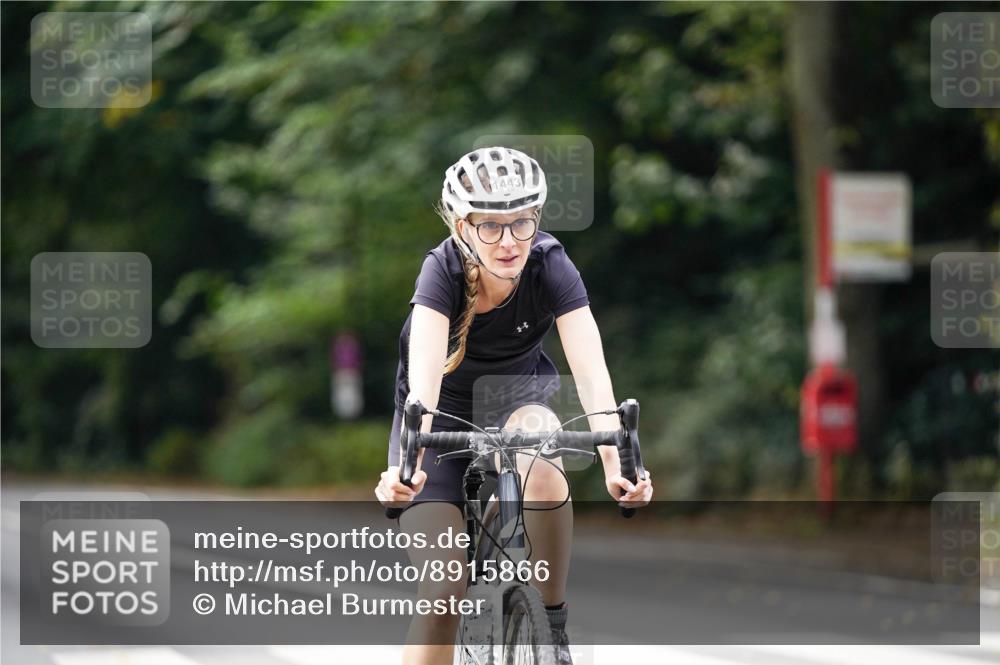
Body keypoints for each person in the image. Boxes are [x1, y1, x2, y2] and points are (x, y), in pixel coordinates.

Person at [375, 146, 653, 665]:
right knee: (443, 592)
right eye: (490, 227)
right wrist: (405, 470)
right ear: (462, 226)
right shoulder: (441, 273)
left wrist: (618, 465)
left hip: (517, 403)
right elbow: (423, 390)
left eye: (521, 224)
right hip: (439, 426)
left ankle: (550, 622)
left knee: (545, 468)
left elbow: (591, 370)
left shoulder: (550, 264)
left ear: (536, 219)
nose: (509, 242)